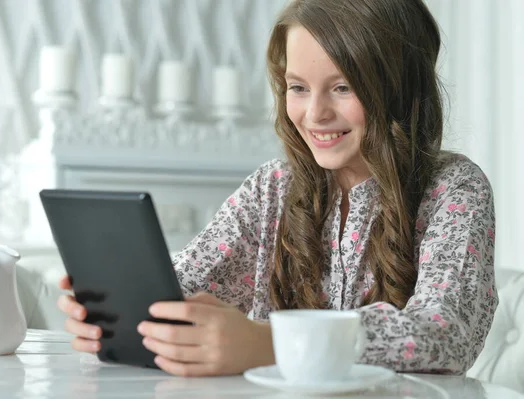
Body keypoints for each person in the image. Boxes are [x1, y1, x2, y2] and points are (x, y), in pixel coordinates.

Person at [57, 0, 497, 377]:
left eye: (343, 87)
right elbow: (185, 282)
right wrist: (117, 307)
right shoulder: (273, 188)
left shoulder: (454, 189)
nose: (314, 113)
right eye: (298, 88)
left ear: (397, 89)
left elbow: (443, 332)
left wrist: (272, 345)